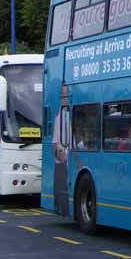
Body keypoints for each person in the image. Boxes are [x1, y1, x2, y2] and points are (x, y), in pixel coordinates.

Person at [51, 84, 70, 216]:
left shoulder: (72, 113)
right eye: (63, 96)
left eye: (66, 95)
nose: (65, 98)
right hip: (62, 166)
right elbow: (54, 144)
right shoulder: (60, 116)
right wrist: (62, 158)